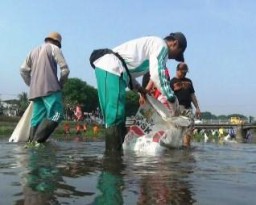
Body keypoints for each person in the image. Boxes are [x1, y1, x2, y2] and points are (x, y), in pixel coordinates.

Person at [90, 32, 187, 151]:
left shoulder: (152, 47)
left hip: (117, 71)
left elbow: (128, 71)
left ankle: (117, 156)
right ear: (174, 43)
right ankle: (112, 159)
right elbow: (157, 75)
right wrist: (172, 100)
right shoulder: (161, 45)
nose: (173, 58)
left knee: (117, 116)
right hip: (111, 67)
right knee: (114, 115)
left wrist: (141, 90)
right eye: (177, 54)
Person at [20, 32, 70, 143]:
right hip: (51, 89)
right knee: (57, 115)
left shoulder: (33, 51)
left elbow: (23, 70)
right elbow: (65, 70)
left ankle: (31, 143)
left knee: (36, 119)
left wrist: (31, 84)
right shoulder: (54, 48)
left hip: (35, 92)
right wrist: (60, 85)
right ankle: (37, 141)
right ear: (57, 42)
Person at [170, 63, 201, 147]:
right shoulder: (172, 81)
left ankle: (186, 147)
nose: (184, 74)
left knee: (189, 129)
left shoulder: (189, 81)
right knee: (176, 129)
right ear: (177, 70)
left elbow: (192, 95)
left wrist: (197, 108)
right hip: (177, 109)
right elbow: (168, 97)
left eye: (186, 72)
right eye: (183, 72)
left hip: (188, 109)